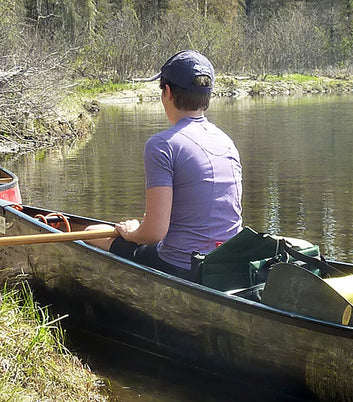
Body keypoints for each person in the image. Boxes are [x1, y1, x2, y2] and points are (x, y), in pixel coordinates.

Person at [87, 50, 243, 280]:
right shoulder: (226, 140)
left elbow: (153, 234)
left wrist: (132, 232)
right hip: (226, 261)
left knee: (90, 232)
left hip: (181, 265)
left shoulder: (162, 144)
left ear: (167, 92)